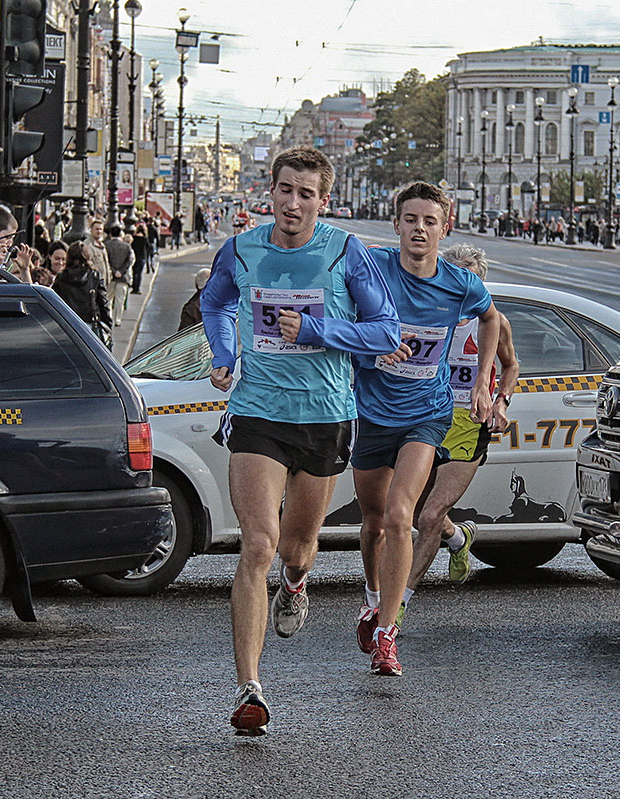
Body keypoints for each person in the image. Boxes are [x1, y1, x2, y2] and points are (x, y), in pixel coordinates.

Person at [200, 146, 399, 736]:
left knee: (295, 547)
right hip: (258, 411)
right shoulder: (241, 249)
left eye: (305, 194)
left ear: (323, 200)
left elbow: (385, 330)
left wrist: (315, 328)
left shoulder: (346, 252)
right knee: (257, 545)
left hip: (325, 415)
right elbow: (214, 303)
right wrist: (223, 352)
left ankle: (296, 583)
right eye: (285, 190)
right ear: (272, 190)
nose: (292, 203)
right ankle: (249, 690)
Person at [352, 181, 499, 677]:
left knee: (400, 516)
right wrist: (370, 349)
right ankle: (373, 603)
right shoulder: (374, 270)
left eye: (429, 221)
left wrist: (483, 383)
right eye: (411, 219)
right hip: (372, 411)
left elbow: (491, 318)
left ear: (445, 226)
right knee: (373, 523)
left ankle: (389, 635)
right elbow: (340, 320)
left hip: (426, 413)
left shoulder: (460, 283)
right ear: (396, 225)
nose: (420, 229)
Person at [400, 243, 519, 625]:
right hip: (424, 418)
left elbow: (512, 365)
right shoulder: (431, 313)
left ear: (479, 281)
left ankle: (399, 605)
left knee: (432, 512)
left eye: (469, 275)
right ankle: (458, 538)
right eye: (453, 272)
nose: (460, 281)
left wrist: (500, 401)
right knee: (415, 511)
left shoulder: (494, 322)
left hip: (468, 424)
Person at [52, 242, 111, 335]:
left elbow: (55, 302)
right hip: (89, 323)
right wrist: (108, 325)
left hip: (68, 323)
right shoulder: (94, 276)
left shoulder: (61, 277)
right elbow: (103, 303)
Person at [104, 225, 134, 327]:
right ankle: (118, 320)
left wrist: (113, 271)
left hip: (110, 277)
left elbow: (106, 261)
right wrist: (121, 271)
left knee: (108, 298)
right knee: (120, 300)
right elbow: (129, 261)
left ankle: (109, 318)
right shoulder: (126, 246)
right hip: (123, 277)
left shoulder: (106, 245)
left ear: (111, 234)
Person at [85, 218, 109, 283]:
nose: (99, 231)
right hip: (94, 282)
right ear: (91, 230)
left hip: (103, 282)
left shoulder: (102, 245)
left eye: (101, 229)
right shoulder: (87, 245)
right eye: (97, 229)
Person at [130, 224, 150, 295]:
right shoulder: (145, 238)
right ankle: (137, 288)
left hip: (135, 256)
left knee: (134, 272)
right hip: (142, 257)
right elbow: (148, 247)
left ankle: (133, 287)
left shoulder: (134, 237)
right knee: (139, 273)